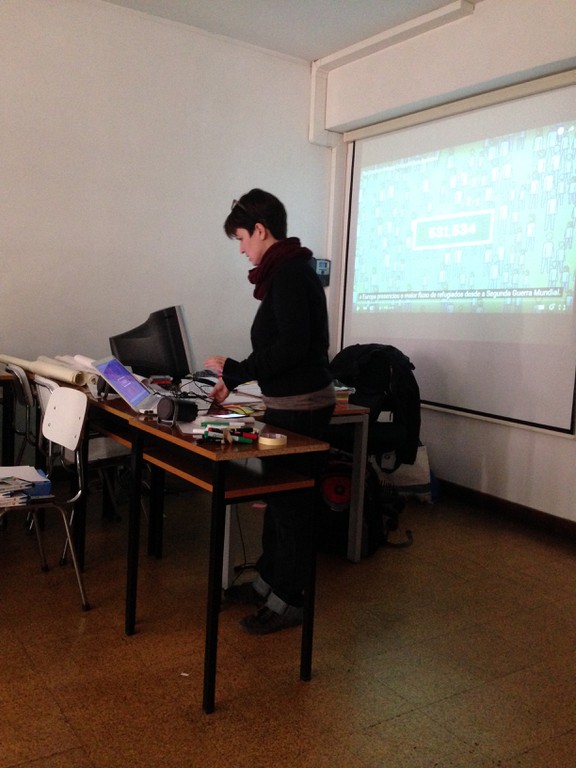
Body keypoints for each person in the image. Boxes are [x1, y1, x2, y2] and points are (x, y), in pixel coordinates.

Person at [204, 188, 335, 635]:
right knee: (277, 501)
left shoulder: (292, 274)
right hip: (285, 405)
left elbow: (292, 347)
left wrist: (239, 370)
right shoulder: (284, 272)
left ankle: (290, 601)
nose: (241, 249)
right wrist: (235, 375)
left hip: (302, 408)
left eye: (242, 238)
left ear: (260, 230)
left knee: (292, 506)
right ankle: (266, 584)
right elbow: (280, 346)